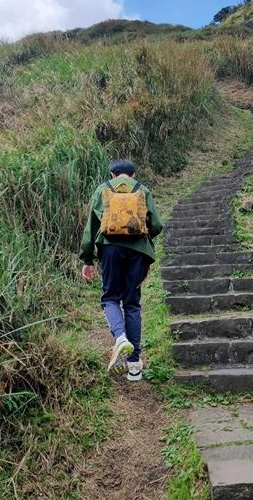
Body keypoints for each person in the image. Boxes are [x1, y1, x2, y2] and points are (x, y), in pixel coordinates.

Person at [79, 158, 164, 381]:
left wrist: (87, 259)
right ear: (133, 175)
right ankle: (134, 364)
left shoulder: (103, 190)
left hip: (110, 250)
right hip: (138, 252)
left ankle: (119, 337)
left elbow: (91, 227)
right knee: (132, 302)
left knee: (110, 298)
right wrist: (141, 241)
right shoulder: (142, 189)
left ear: (112, 175)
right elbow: (156, 225)